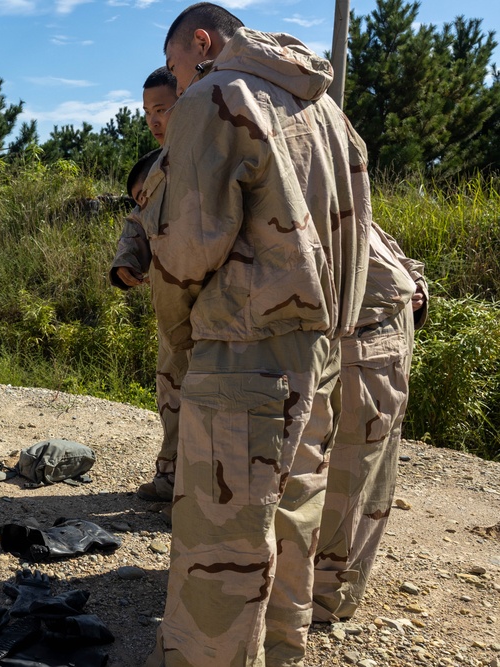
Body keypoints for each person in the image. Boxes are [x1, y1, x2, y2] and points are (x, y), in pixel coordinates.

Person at [143, 3, 371, 665]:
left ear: (204, 45)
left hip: (241, 351)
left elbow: (186, 248)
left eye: (179, 71)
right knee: (291, 511)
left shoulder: (216, 97)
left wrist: (178, 332)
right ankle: (277, 649)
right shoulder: (326, 110)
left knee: (221, 539)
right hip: (318, 347)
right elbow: (354, 231)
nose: (176, 87)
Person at [312, 225, 428, 622]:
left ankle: (324, 596)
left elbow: (396, 255)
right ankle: (312, 586)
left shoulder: (310, 175)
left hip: (368, 337)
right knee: (336, 465)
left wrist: (416, 290)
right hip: (353, 337)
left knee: (355, 470)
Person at [110, 68, 189, 505]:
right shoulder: (157, 168)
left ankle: (198, 492)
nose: (154, 120)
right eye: (147, 113)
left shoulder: (209, 155)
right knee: (171, 392)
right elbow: (138, 223)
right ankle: (171, 478)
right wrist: (127, 261)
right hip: (173, 305)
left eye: (162, 109)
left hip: (218, 306)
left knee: (211, 401)